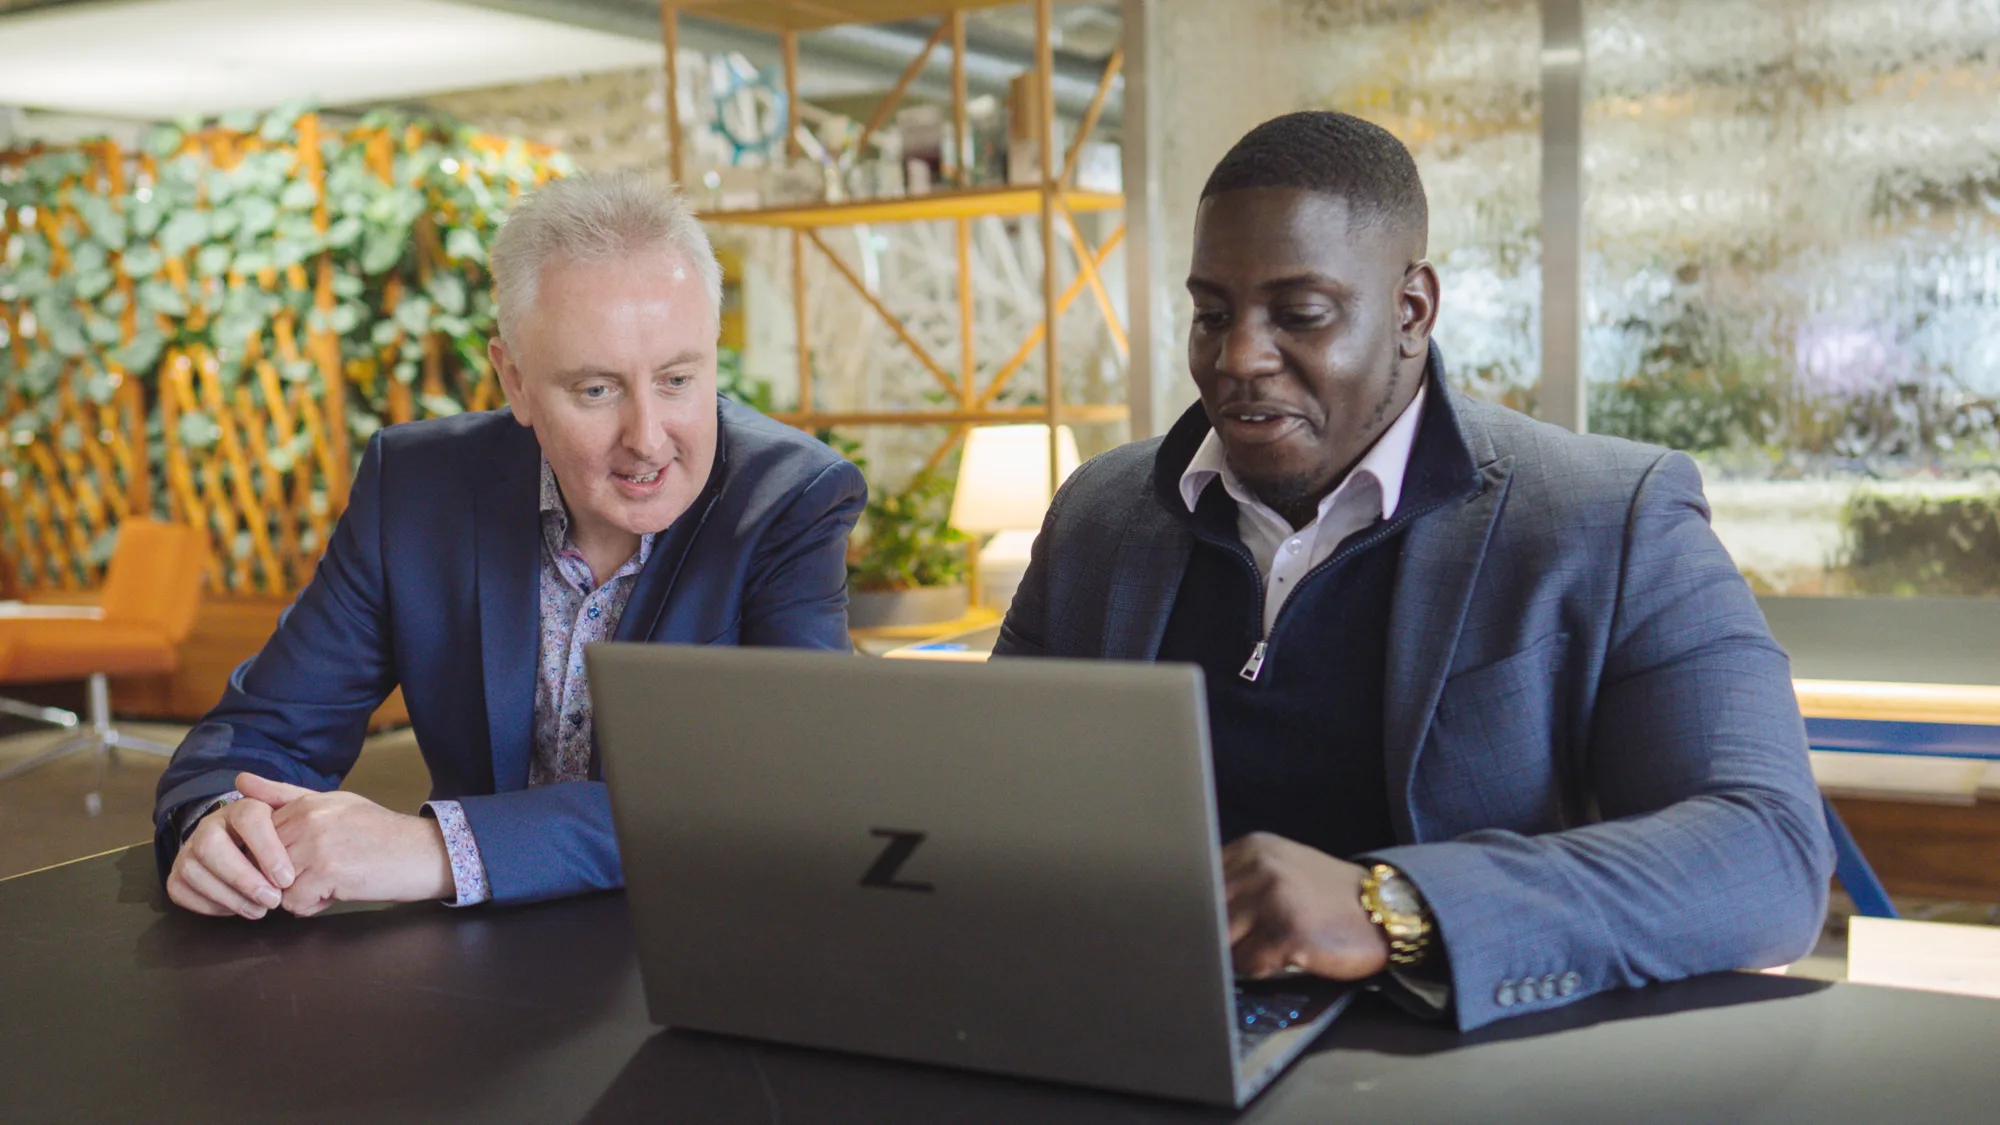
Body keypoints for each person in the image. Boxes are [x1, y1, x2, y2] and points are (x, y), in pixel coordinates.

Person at [995, 112, 1832, 1031]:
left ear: (1411, 311)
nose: (1239, 358)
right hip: (1128, 1042)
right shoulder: (1098, 517)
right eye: (1212, 314)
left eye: (1300, 315)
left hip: (1462, 1072)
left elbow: (1767, 852)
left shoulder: (1609, 514)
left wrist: (1388, 906)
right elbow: (985, 808)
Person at [154, 172, 866, 918]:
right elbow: (260, 734)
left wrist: (438, 850)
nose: (648, 437)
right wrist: (220, 827)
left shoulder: (791, 497)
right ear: (515, 381)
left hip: (702, 947)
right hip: (470, 973)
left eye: (679, 378)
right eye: (597, 390)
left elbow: (781, 795)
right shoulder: (418, 487)